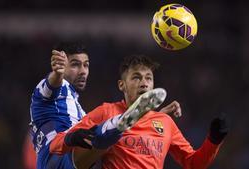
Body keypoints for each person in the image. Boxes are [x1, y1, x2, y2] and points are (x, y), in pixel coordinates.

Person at [50, 54, 229, 169]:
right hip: (98, 141)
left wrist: (213, 141)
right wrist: (71, 138)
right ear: (122, 85)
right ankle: (115, 128)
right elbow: (56, 144)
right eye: (136, 77)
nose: (144, 83)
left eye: (148, 78)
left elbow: (193, 163)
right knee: (96, 142)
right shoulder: (107, 111)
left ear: (153, 85)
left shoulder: (165, 122)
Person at [29, 42, 180, 169]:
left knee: (98, 140)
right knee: (100, 133)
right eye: (75, 65)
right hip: (56, 158)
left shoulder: (77, 108)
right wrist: (57, 73)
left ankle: (127, 120)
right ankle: (118, 122)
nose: (83, 71)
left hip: (73, 158)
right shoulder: (50, 90)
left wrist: (155, 118)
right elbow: (51, 85)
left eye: (86, 65)